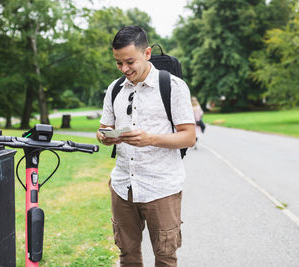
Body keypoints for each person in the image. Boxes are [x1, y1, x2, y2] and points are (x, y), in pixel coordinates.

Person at [96, 25, 196, 267]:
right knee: (127, 256)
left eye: (130, 61)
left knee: (165, 257)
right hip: (122, 187)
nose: (124, 69)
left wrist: (149, 138)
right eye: (119, 63)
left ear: (147, 53)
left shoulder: (173, 87)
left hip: (161, 188)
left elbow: (189, 137)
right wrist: (106, 136)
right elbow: (101, 130)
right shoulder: (115, 88)